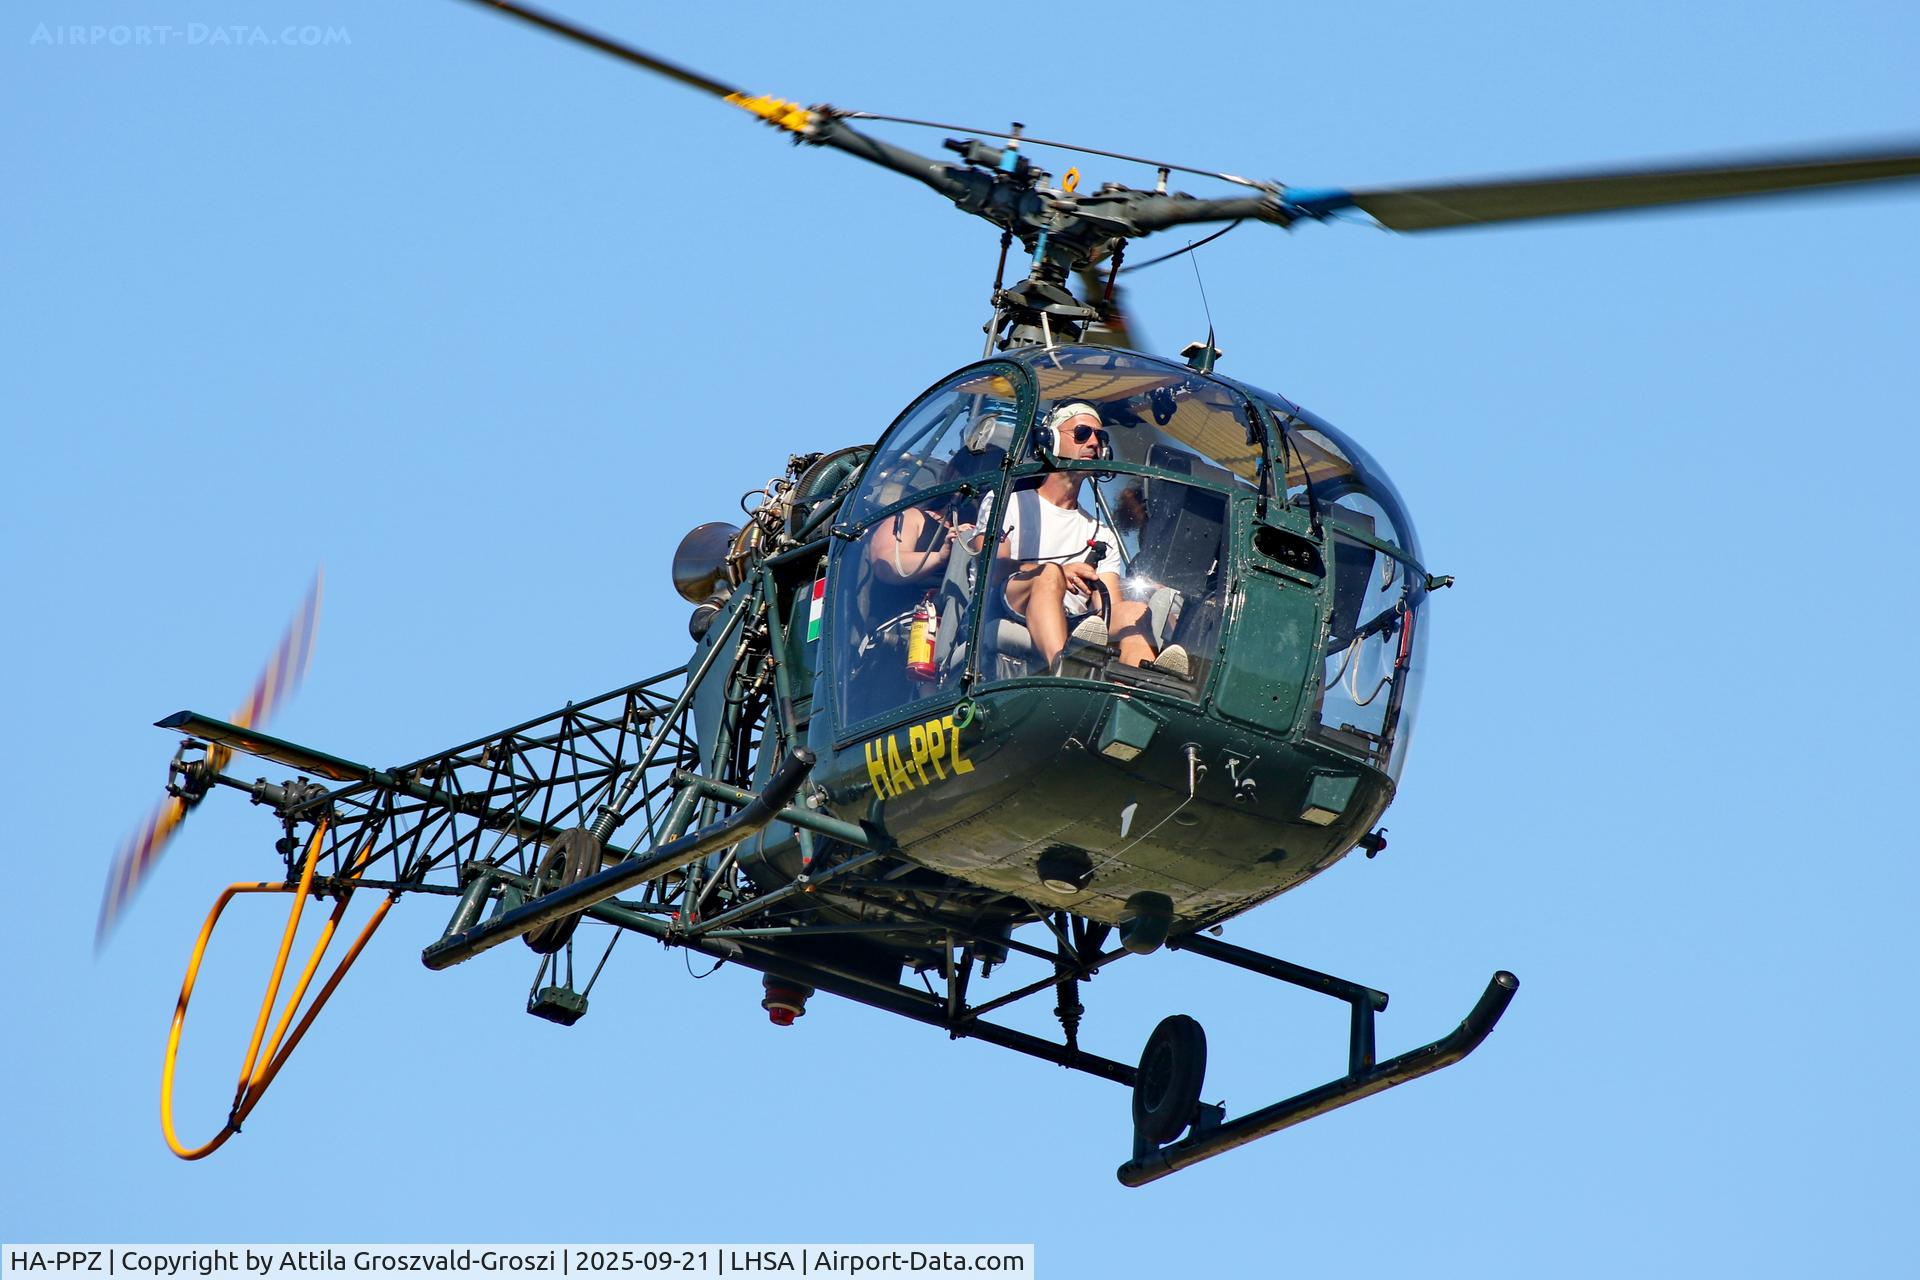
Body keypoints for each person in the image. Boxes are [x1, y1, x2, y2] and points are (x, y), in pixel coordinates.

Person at [973, 402, 1188, 676]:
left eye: (1101, 437)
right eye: (1082, 433)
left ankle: (1136, 689)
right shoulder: (1008, 503)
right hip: (1011, 601)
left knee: (1134, 611)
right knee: (1049, 575)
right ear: (1050, 439)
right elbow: (991, 568)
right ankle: (1063, 669)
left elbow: (1105, 605)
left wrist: (1113, 601)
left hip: (1075, 619)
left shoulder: (1101, 532)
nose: (1094, 442)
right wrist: (1058, 573)